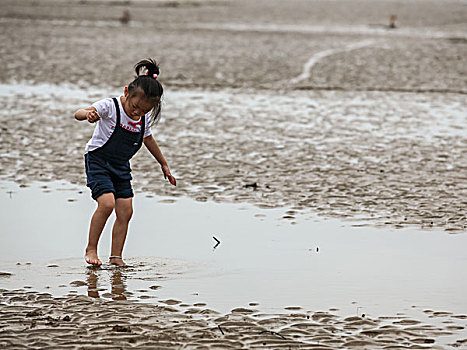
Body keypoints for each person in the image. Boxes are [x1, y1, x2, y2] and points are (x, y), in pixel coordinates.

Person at [74, 58, 176, 267]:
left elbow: (148, 139)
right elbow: (79, 113)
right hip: (98, 161)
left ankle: (116, 256)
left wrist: (163, 164)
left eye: (144, 111)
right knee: (107, 204)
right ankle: (91, 248)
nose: (137, 113)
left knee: (126, 211)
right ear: (127, 92)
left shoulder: (143, 118)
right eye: (135, 106)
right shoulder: (110, 106)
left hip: (121, 166)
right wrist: (89, 115)